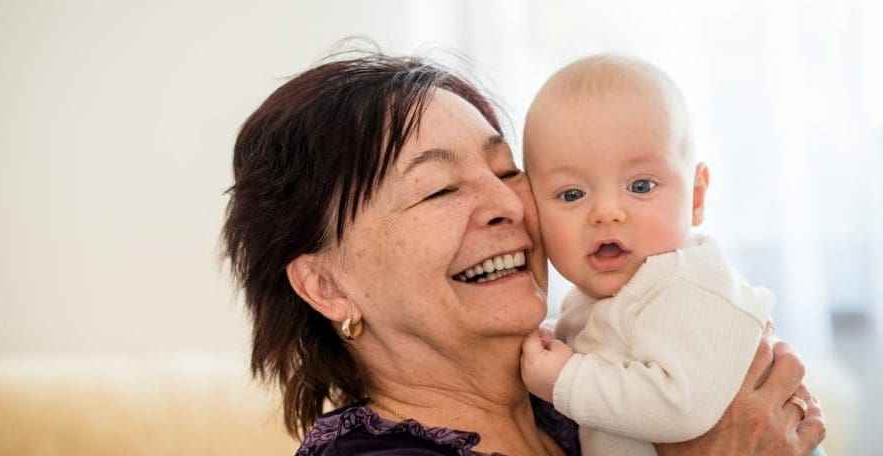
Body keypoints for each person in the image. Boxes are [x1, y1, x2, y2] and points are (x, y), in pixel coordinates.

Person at [221, 51, 826, 455]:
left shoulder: (588, 399)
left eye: (508, 171)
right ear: (327, 285)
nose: (509, 206)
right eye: (438, 188)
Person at [519, 54, 825, 455]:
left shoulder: (684, 285)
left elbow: (682, 407)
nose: (607, 212)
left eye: (642, 186)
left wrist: (565, 379)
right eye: (572, 194)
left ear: (696, 197)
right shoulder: (612, 295)